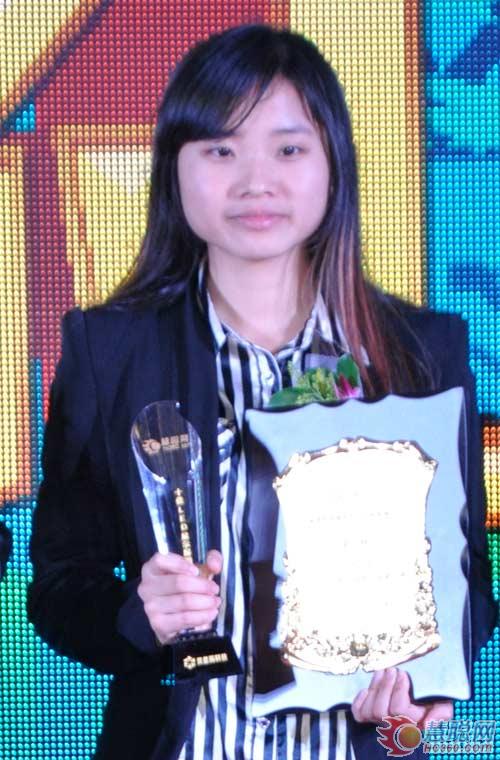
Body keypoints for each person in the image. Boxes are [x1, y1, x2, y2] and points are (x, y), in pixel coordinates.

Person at [27, 23, 496, 760]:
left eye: (288, 149)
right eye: (221, 150)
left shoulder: (423, 352)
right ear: (173, 168)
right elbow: (60, 584)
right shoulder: (109, 351)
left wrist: (428, 676)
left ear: (333, 164)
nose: (255, 182)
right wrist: (138, 616)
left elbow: (467, 578)